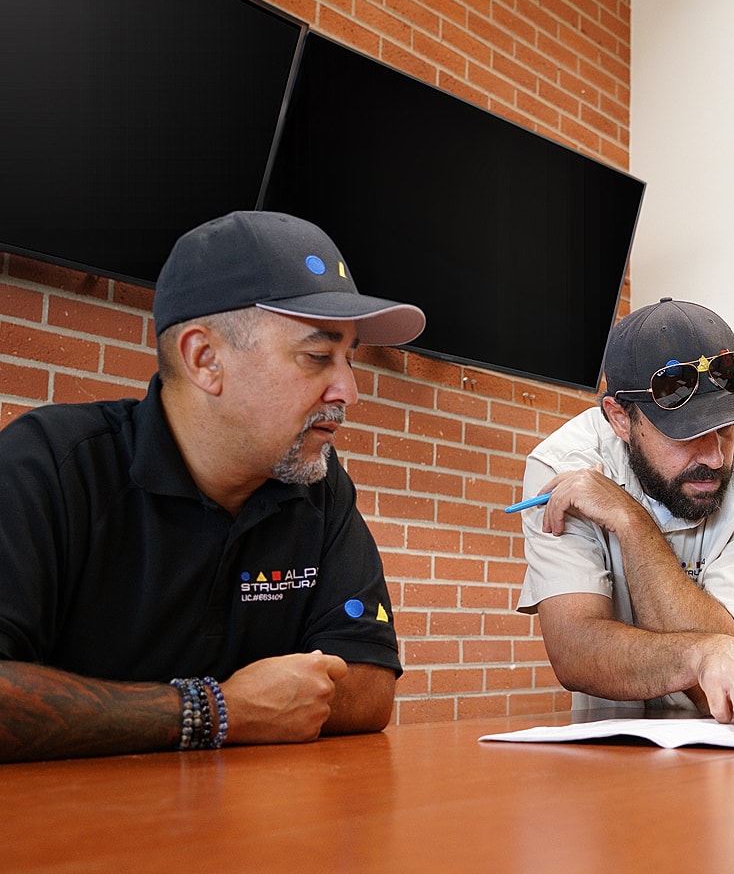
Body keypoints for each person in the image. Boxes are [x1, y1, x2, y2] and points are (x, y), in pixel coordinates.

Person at [0, 210, 427, 762]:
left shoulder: (317, 484)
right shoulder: (50, 466)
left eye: (349, 358)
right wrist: (214, 710)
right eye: (318, 356)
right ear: (205, 360)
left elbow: (368, 687)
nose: (347, 389)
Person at [517, 297, 734, 733]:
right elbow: (574, 652)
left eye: (726, 427)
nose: (714, 457)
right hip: (617, 738)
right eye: (687, 433)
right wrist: (704, 652)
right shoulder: (563, 467)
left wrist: (630, 520)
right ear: (620, 418)